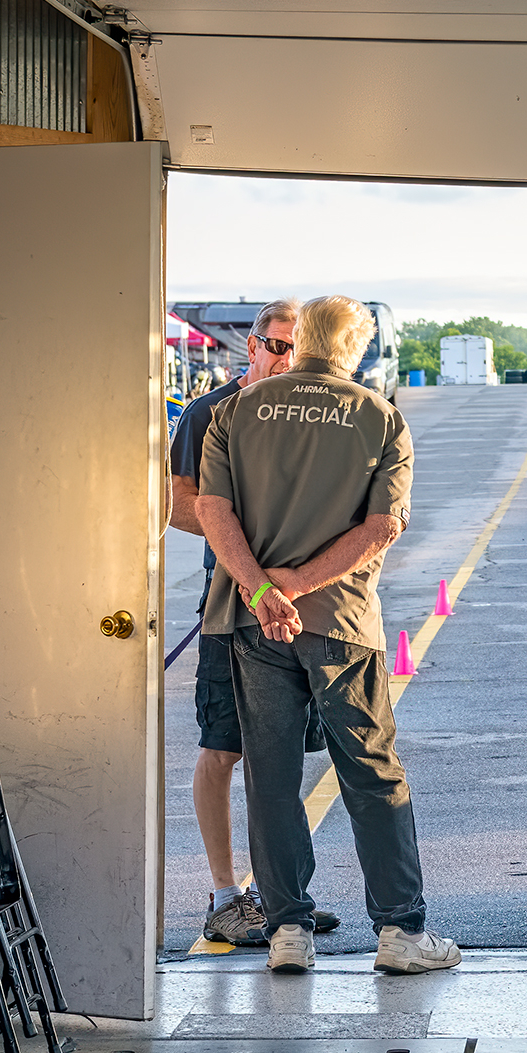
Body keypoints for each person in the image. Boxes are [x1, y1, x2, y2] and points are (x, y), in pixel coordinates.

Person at [196, 294, 460, 976]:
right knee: (372, 774)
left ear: (300, 339)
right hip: (341, 621)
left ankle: (288, 931)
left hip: (255, 624)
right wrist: (301, 586)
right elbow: (382, 528)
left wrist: (262, 590)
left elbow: (210, 509)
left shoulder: (234, 411)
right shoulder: (379, 417)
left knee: (272, 778)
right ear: (355, 350)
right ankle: (400, 933)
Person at [169, 299, 338, 947]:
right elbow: (179, 507)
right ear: (251, 346)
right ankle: (223, 895)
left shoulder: (321, 413)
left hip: (303, 606)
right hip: (231, 606)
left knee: (283, 755)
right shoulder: (209, 412)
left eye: (296, 349)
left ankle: (281, 895)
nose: (283, 359)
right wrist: (244, 540)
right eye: (273, 345)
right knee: (224, 748)